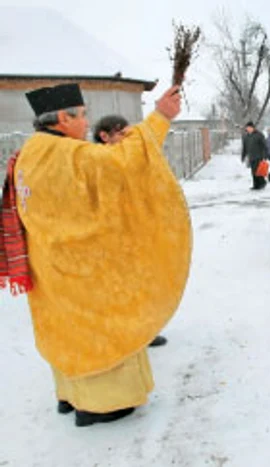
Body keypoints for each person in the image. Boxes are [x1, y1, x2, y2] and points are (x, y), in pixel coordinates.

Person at [0, 83, 192, 427]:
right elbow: (121, 164)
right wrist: (160, 117)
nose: (87, 123)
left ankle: (70, 396)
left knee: (66, 333)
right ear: (63, 117)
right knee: (101, 331)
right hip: (83, 271)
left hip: (49, 268)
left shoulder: (32, 151)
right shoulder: (66, 154)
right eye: (83, 114)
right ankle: (102, 405)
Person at [92, 114, 170, 348]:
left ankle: (143, 332)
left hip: (135, 233)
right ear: (104, 136)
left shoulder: (128, 157)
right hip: (109, 237)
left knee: (141, 284)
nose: (127, 140)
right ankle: (121, 334)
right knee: (117, 288)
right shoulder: (96, 159)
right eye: (122, 135)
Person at [241, 121, 267, 190]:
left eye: (250, 127)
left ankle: (261, 183)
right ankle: (256, 185)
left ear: (253, 128)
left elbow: (264, 146)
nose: (248, 129)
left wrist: (265, 155)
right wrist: (243, 156)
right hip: (251, 156)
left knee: (258, 171)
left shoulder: (259, 135)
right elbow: (244, 147)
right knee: (253, 171)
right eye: (247, 128)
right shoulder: (245, 136)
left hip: (259, 156)